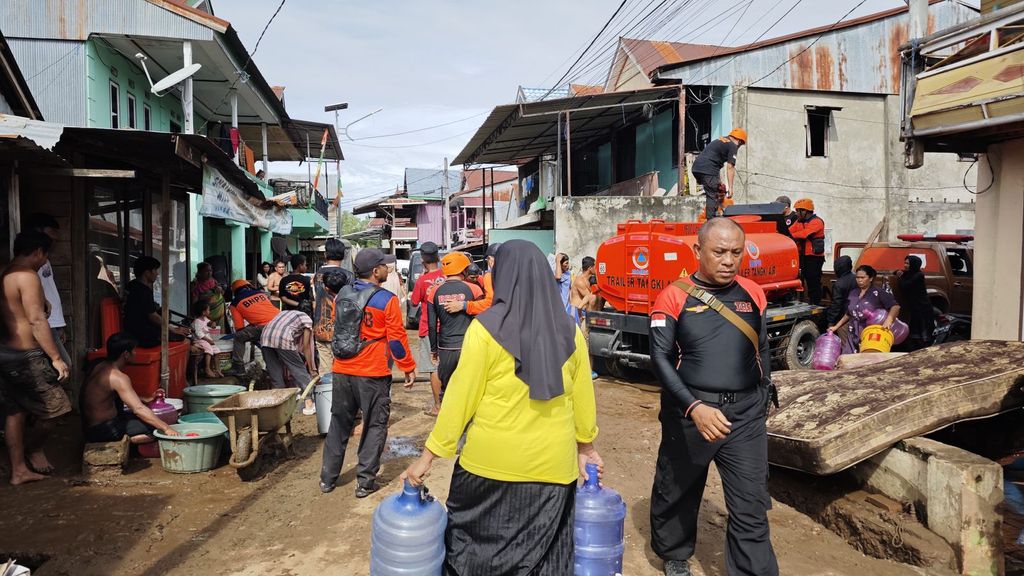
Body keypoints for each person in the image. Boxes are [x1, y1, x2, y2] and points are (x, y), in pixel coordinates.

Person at [402, 240, 602, 575]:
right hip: (553, 471)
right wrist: (587, 447)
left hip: (488, 469)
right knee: (542, 562)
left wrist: (429, 456)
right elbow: (583, 398)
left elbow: (460, 400)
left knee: (476, 560)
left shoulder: (485, 329)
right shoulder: (571, 332)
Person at [648, 218, 778, 576]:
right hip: (691, 412)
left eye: (736, 252)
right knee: (678, 486)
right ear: (698, 251)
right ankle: (674, 553)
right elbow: (659, 358)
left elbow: (762, 346)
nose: (729, 260)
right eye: (719, 252)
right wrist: (694, 407)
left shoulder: (753, 292)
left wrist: (764, 388)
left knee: (751, 501)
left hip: (745, 413)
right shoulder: (673, 296)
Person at [320, 249, 417, 497]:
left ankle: (327, 479)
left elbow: (338, 328)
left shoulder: (342, 293)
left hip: (342, 370)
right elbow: (396, 339)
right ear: (375, 271)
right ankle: (365, 482)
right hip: (372, 372)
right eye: (385, 265)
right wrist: (407, 367)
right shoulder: (386, 299)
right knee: (374, 425)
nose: (388, 269)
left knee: (339, 424)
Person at [0, 231, 72, 485]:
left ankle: (18, 469)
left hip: (5, 352)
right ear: (39, 252)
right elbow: (36, 319)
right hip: (26, 355)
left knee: (15, 412)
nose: (45, 260)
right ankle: (32, 449)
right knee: (57, 409)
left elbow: (22, 310)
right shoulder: (27, 276)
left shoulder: (4, 272)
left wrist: (43, 305)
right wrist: (55, 357)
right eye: (46, 255)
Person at [82, 333, 179, 444]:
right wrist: (167, 428)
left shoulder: (97, 364)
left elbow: (108, 395)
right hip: (102, 430)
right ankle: (125, 442)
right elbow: (139, 409)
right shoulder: (118, 377)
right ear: (126, 354)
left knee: (147, 419)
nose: (136, 353)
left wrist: (144, 399)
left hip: (88, 427)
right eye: (134, 351)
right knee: (156, 429)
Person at [426, 252, 483, 401]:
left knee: (447, 389)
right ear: (463, 270)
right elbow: (484, 317)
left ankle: (446, 419)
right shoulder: (474, 289)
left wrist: (433, 349)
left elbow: (432, 325)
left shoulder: (434, 291)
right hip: (469, 345)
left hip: (445, 347)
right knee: (470, 389)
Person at [24, 213, 71, 370]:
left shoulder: (44, 259)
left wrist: (59, 324)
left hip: (53, 323)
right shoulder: (28, 263)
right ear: (37, 230)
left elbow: (50, 291)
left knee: (60, 367)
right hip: (44, 323)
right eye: (51, 236)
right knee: (59, 366)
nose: (53, 242)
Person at [827, 265, 902, 354]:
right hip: (853, 333)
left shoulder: (878, 293)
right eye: (857, 277)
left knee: (866, 360)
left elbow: (895, 307)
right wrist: (836, 326)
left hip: (870, 335)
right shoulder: (853, 293)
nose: (859, 280)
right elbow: (849, 313)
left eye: (862, 277)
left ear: (870, 278)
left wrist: (889, 320)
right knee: (848, 358)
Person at [259, 309, 317, 415]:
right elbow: (306, 347)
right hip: (282, 338)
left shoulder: (285, 313)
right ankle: (309, 402)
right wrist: (312, 369)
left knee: (275, 375)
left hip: (265, 337)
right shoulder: (307, 320)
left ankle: (277, 408)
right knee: (299, 370)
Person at [410, 241, 445, 415]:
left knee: (434, 367)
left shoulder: (422, 281)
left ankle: (438, 406)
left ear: (423, 259)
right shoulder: (448, 275)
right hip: (450, 328)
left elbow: (414, 302)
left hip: (428, 328)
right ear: (438, 257)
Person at [124, 256, 190, 349]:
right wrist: (173, 329)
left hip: (134, 328)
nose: (157, 274)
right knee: (180, 336)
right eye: (155, 270)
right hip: (141, 333)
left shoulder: (133, 285)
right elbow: (153, 316)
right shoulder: (142, 290)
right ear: (147, 273)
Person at [312, 238, 352, 375]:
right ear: (344, 255)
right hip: (343, 330)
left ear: (325, 254)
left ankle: (327, 396)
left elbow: (314, 302)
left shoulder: (317, 276)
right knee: (344, 368)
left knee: (325, 369)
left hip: (321, 327)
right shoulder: (349, 276)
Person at [691, 128, 747, 219]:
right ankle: (711, 222)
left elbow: (714, 161)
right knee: (713, 194)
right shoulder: (732, 145)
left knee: (717, 190)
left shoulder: (721, 140)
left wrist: (719, 182)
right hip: (707, 169)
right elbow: (730, 167)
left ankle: (714, 215)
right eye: (740, 145)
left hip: (697, 168)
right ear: (739, 141)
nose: (739, 147)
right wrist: (731, 188)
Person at [227, 279, 280, 373]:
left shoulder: (235, 303)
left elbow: (239, 327)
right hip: (280, 321)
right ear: (248, 286)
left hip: (264, 327)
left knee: (239, 337)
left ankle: (238, 367)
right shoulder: (261, 294)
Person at [443, 242, 499, 317]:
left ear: (490, 259)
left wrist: (464, 305)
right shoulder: (515, 273)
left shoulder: (488, 276)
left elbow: (490, 302)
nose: (475, 279)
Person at [789, 198, 827, 305]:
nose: (796, 213)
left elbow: (805, 234)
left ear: (804, 211)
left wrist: (790, 236)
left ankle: (815, 304)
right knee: (800, 279)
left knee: (813, 282)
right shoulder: (799, 222)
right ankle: (800, 301)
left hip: (814, 258)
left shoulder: (817, 222)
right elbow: (790, 231)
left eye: (798, 211)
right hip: (802, 256)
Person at [896, 255, 935, 350]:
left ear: (914, 264)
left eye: (907, 263)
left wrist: (900, 276)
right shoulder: (909, 273)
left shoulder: (919, 275)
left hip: (922, 307)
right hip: (914, 306)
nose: (905, 265)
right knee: (914, 330)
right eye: (905, 263)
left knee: (923, 330)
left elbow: (905, 285)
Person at [825, 256, 857, 347]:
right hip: (858, 316)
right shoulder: (857, 279)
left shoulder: (839, 283)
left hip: (843, 319)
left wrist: (830, 321)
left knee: (846, 345)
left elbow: (836, 304)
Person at [191, 300, 224, 378]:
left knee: (217, 351)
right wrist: (208, 340)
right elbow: (199, 334)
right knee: (209, 350)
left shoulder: (205, 318)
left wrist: (213, 323)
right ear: (203, 312)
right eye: (208, 310)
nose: (209, 311)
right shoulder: (197, 322)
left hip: (206, 339)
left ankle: (217, 370)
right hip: (200, 340)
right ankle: (207, 368)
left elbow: (209, 322)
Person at [191, 262, 225, 330]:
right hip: (208, 317)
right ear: (200, 272)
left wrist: (220, 289)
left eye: (210, 270)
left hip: (220, 316)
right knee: (209, 335)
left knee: (220, 335)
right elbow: (195, 304)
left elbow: (222, 293)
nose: (209, 273)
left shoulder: (213, 281)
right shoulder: (196, 285)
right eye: (206, 271)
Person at [555, 252, 576, 322]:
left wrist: (571, 305)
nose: (568, 266)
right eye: (566, 263)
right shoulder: (555, 273)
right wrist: (558, 260)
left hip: (566, 306)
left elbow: (569, 289)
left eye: (568, 263)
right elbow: (558, 277)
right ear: (560, 264)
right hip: (557, 306)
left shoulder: (568, 273)